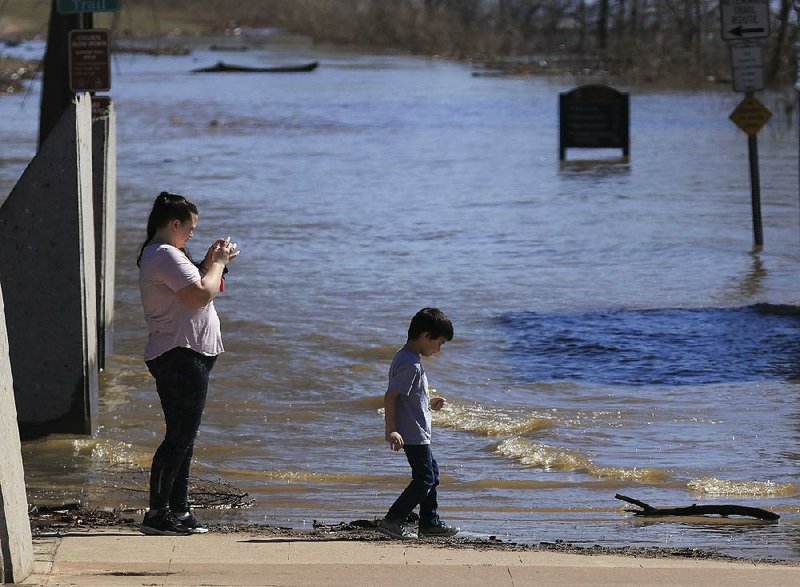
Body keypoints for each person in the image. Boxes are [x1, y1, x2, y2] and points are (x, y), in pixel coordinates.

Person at [136, 191, 239, 536]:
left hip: (186, 352)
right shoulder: (164, 254)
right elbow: (199, 295)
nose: (192, 233)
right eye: (190, 227)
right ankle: (156, 514)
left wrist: (211, 262)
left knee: (184, 435)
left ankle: (178, 510)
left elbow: (197, 284)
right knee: (179, 436)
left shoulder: (166, 254)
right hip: (180, 353)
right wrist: (220, 262)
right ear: (175, 223)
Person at [377, 308, 459, 539]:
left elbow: (408, 395)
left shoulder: (406, 357)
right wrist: (391, 429)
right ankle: (393, 520)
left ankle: (429, 523)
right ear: (426, 335)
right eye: (440, 343)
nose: (439, 349)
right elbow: (391, 396)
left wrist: (428, 402)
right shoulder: (410, 364)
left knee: (431, 473)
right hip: (412, 433)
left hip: (416, 430)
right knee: (424, 478)